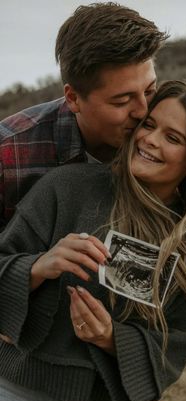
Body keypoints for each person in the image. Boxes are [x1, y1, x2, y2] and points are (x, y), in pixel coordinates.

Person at [0, 79, 186, 401]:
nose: (150, 140)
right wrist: (38, 267)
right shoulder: (66, 188)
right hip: (17, 398)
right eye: (149, 125)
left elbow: (177, 342)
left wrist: (111, 337)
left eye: (172, 138)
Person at [0, 2, 167, 230]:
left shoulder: (176, 143)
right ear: (73, 98)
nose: (143, 111)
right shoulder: (8, 154)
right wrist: (34, 264)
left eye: (149, 91)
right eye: (122, 100)